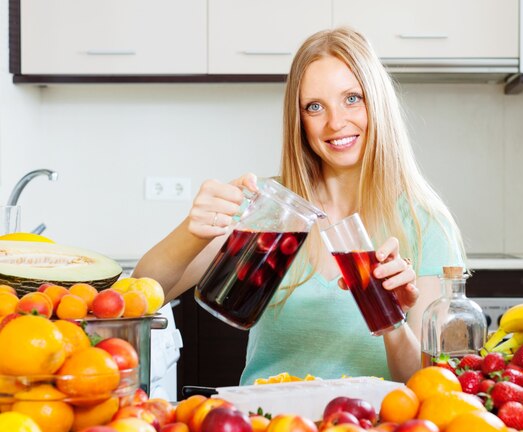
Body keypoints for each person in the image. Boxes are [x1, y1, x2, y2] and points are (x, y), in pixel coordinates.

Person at [133, 27, 465, 385]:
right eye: (315, 107)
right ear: (299, 119)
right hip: (268, 429)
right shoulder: (267, 207)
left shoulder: (425, 223)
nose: (336, 122)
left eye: (352, 98)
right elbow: (142, 294)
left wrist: (390, 320)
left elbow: (432, 387)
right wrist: (191, 231)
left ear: (377, 102)